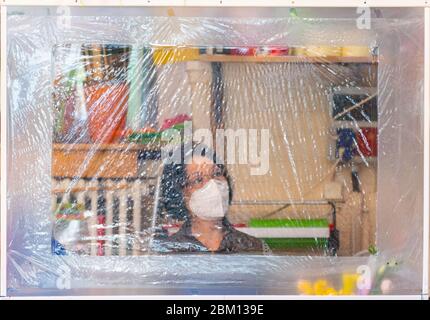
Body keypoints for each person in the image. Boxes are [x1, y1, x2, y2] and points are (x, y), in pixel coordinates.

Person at [151, 143, 269, 254]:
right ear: (182, 193)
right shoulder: (171, 252)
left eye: (217, 174)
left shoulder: (253, 247)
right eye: (198, 180)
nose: (213, 185)